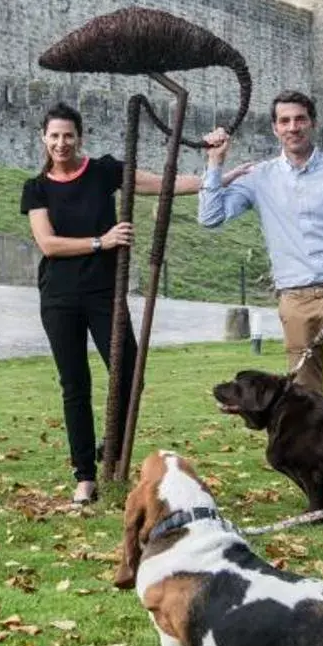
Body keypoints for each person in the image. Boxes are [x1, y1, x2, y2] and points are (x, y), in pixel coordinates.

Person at [21, 103, 206, 504]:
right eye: (54, 135)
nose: (61, 142)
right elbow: (48, 244)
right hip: (59, 297)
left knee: (128, 373)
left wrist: (215, 178)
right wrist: (100, 242)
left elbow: (158, 183)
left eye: (68, 135)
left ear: (80, 137)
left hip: (104, 293)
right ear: (43, 138)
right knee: (75, 385)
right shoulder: (36, 187)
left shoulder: (102, 171)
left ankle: (113, 444)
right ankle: (85, 475)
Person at [198, 91, 323, 420]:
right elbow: (210, 217)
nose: (293, 127)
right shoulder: (259, 177)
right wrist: (215, 163)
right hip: (296, 301)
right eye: (284, 121)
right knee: (305, 399)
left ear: (312, 123)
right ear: (274, 128)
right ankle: (317, 467)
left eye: (300, 119)